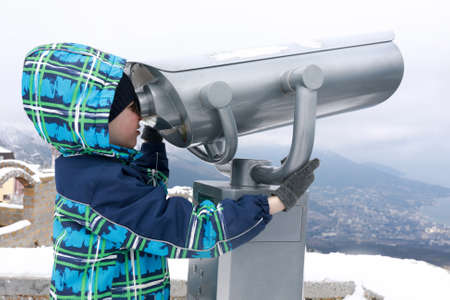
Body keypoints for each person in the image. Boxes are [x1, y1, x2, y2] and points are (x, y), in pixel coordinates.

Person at [21, 43, 319, 300]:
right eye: (132, 107)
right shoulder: (100, 189)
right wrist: (276, 202)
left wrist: (152, 142)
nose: (140, 114)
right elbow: (190, 231)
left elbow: (139, 197)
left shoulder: (87, 171)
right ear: (96, 119)